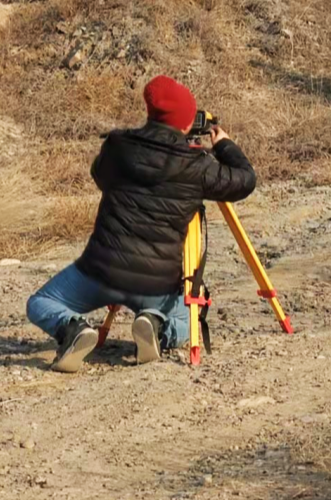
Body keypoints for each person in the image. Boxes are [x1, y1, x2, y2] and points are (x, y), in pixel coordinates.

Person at [26, 75, 257, 373]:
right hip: (154, 281)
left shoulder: (117, 147)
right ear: (188, 123)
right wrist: (224, 145)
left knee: (40, 302)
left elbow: (99, 174)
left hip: (100, 271)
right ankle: (155, 325)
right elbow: (245, 181)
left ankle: (73, 330)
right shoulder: (196, 166)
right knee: (191, 320)